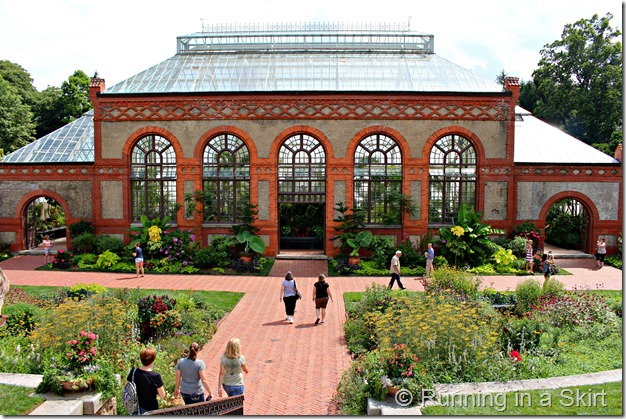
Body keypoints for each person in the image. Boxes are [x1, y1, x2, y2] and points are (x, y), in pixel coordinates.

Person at [126, 347, 165, 415]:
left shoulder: (133, 372)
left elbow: (126, 386)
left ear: (141, 359)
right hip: (150, 410)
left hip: (135, 408)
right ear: (153, 360)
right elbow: (162, 395)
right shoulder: (155, 376)